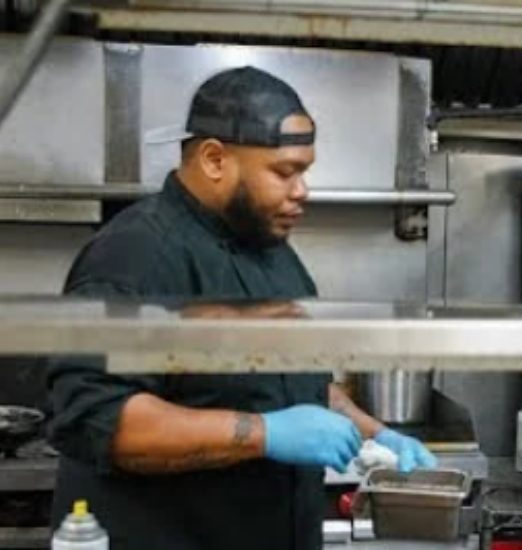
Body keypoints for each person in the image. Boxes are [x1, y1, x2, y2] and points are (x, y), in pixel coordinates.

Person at [46, 66, 436, 550]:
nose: (302, 191)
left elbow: (299, 381)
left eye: (304, 172)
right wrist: (264, 434)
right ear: (214, 159)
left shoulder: (272, 252)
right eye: (284, 172)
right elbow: (101, 421)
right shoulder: (133, 256)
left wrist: (379, 438)